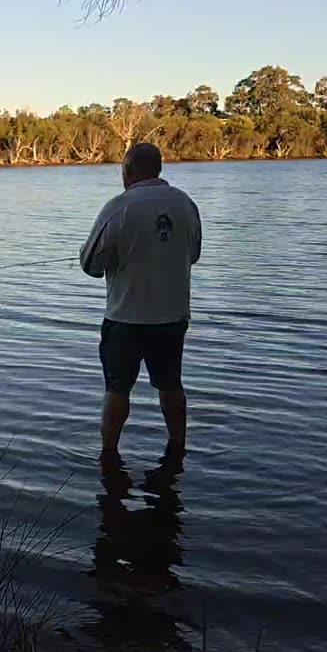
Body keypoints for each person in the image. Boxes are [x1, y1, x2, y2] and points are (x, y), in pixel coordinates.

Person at [79, 142, 201, 467]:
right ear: (158, 169)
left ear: (127, 171)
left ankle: (109, 456)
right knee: (171, 384)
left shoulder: (118, 207)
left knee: (117, 389)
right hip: (172, 317)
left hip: (125, 319)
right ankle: (177, 449)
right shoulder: (186, 204)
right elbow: (195, 253)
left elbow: (90, 265)